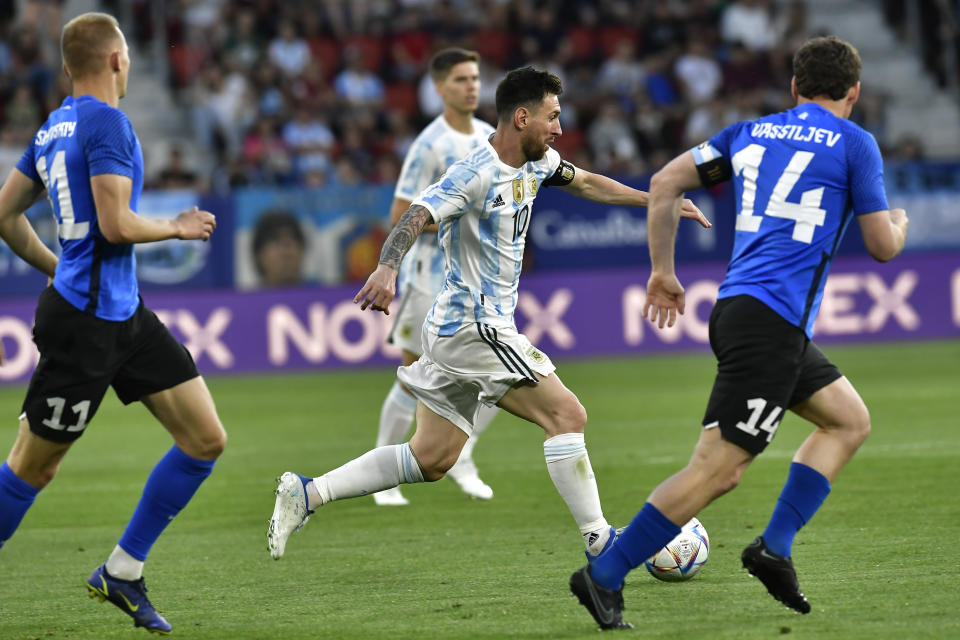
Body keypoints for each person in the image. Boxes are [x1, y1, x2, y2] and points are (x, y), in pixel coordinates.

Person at [267, 66, 710, 565]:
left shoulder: (537, 163)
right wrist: (387, 269)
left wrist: (658, 202)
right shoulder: (474, 174)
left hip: (455, 329)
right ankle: (600, 542)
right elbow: (415, 215)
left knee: (431, 458)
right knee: (567, 415)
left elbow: (586, 183)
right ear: (522, 117)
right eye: (553, 117)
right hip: (473, 327)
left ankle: (308, 493)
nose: (560, 129)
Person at [569, 35, 909, 630]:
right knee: (718, 470)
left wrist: (662, 271)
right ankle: (605, 573)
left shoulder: (750, 134)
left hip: (745, 312)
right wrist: (899, 222)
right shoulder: (857, 143)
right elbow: (882, 246)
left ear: (795, 88)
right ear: (854, 92)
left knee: (848, 420)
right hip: (770, 325)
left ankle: (774, 549)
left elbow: (667, 181)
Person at [0, 13, 227, 635]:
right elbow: (116, 226)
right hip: (85, 325)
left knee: (205, 439)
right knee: (32, 468)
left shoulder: (51, 128)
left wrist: (53, 265)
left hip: (124, 316)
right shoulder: (109, 124)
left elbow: (5, 214)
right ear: (118, 61)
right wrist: (176, 227)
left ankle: (122, 570)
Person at [374, 47, 497, 506]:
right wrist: (454, 216)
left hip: (479, 280)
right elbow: (397, 214)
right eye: (462, 79)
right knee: (411, 375)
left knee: (496, 374)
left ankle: (463, 456)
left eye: (476, 78)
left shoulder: (490, 138)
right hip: (429, 278)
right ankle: (384, 471)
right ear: (440, 87)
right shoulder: (429, 145)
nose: (472, 87)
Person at [252, 209, 306, 287]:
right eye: (276, 239)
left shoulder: (320, 295)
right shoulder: (243, 298)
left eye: (293, 238)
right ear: (260, 255)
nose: (286, 247)